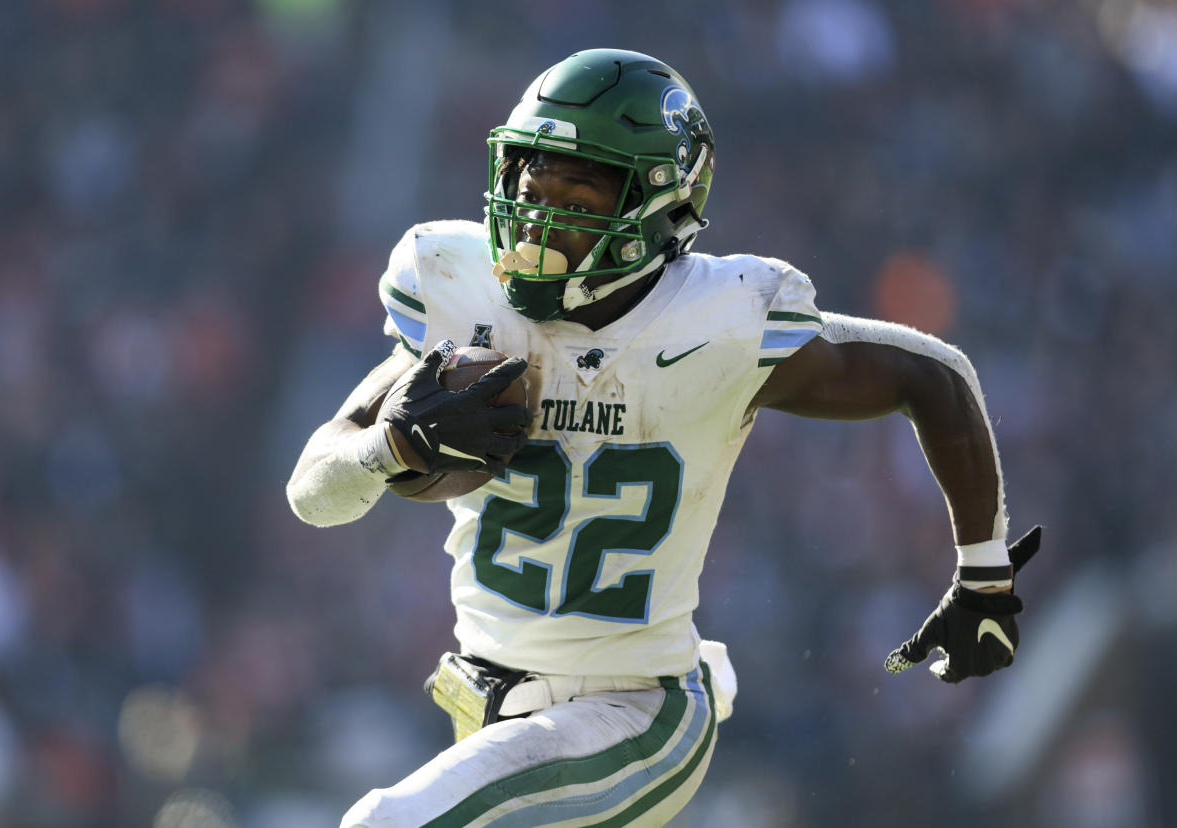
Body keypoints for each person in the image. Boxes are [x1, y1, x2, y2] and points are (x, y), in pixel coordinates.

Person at [287, 48, 1042, 828]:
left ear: (657, 206)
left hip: (636, 713)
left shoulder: (721, 321)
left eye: (576, 191)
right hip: (491, 707)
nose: (538, 215)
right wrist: (390, 449)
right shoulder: (459, 292)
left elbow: (936, 375)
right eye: (528, 182)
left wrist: (984, 576)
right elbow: (313, 492)